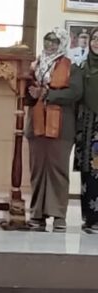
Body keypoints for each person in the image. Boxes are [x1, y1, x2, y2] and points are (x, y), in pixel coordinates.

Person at [25, 28, 82, 232]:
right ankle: (37, 214)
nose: (50, 45)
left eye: (54, 41)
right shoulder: (35, 65)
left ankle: (58, 216)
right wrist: (32, 92)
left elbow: (75, 92)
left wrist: (47, 94)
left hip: (62, 126)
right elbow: (26, 92)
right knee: (37, 170)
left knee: (58, 170)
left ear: (62, 43)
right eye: (47, 40)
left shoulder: (72, 67)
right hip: (37, 124)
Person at [76, 28, 98, 233]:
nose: (96, 42)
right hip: (85, 127)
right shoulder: (82, 66)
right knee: (87, 173)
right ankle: (89, 218)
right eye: (94, 38)